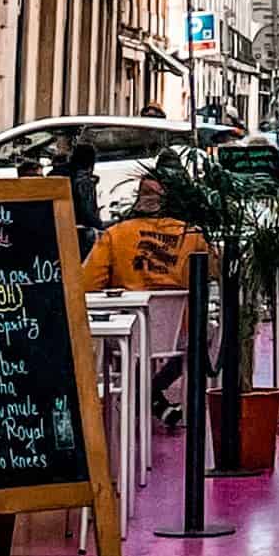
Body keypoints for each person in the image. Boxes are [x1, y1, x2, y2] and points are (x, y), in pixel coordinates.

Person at [82, 172, 214, 426]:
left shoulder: (115, 235)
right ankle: (152, 396)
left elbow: (87, 283)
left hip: (128, 331)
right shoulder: (192, 235)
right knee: (203, 339)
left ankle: (144, 394)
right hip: (179, 332)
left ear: (138, 200)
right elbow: (214, 270)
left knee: (120, 347)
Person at [63, 134, 104, 254]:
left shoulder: (63, 174)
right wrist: (102, 227)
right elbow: (87, 214)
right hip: (80, 233)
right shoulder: (84, 182)